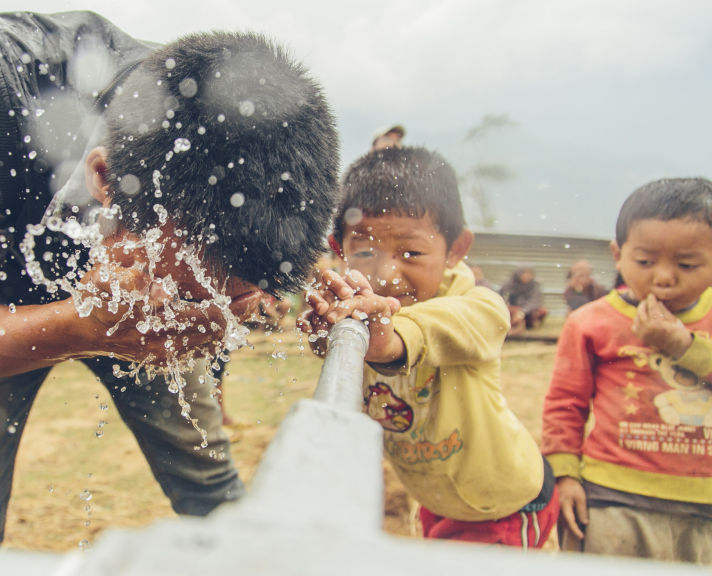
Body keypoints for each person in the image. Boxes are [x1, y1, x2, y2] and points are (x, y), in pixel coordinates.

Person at [0, 11, 340, 543]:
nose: (185, 310)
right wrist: (81, 326)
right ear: (104, 178)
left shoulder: (221, 137)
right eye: (189, 292)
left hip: (130, 291)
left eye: (216, 298)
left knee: (211, 488)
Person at [299, 146, 557, 549]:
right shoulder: (360, 310)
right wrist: (327, 336)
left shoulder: (478, 306)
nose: (386, 273)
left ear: (456, 249)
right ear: (338, 247)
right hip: (436, 500)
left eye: (412, 253)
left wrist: (387, 338)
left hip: (502, 506)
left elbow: (452, 326)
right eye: (365, 252)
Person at [542, 177, 712, 564]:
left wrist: (682, 346)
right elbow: (564, 404)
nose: (664, 277)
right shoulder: (590, 322)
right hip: (612, 499)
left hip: (705, 504)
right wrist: (564, 475)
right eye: (645, 262)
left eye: (687, 264)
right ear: (618, 255)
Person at [500, 266, 548, 335]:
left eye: (529, 274)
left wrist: (522, 311)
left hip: (527, 310)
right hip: (513, 309)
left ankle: (530, 323)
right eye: (525, 274)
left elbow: (535, 300)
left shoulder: (534, 285)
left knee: (542, 311)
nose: (527, 276)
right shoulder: (509, 284)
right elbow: (503, 298)